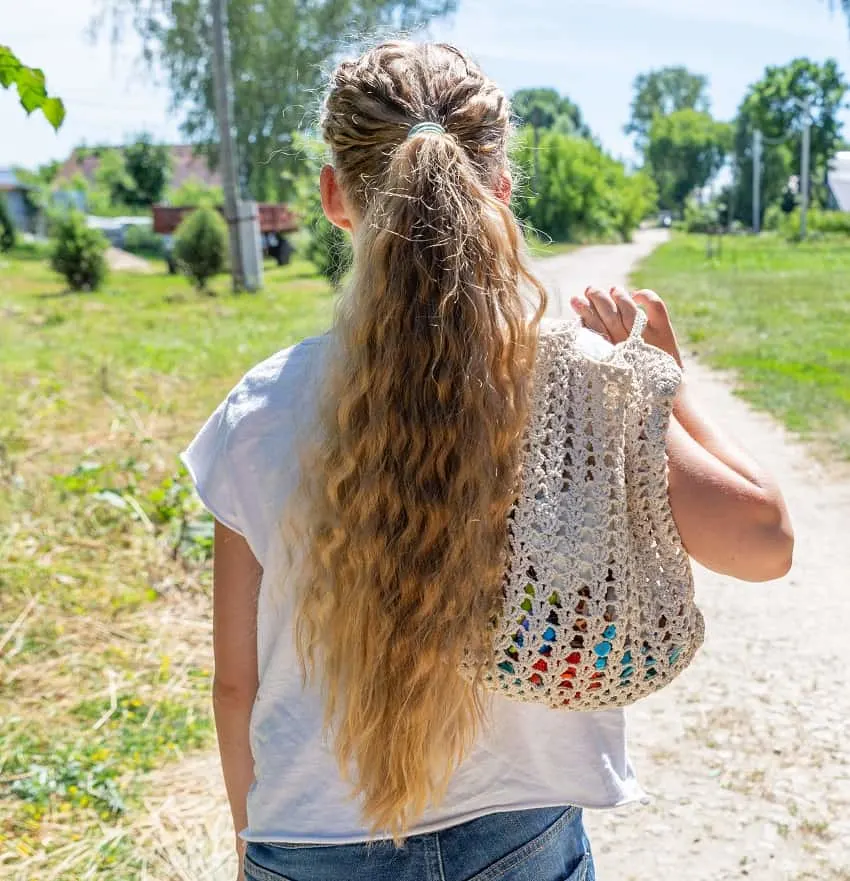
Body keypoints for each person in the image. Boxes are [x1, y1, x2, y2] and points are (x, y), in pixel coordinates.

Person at [182, 41, 793, 881]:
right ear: (501, 190)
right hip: (519, 841)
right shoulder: (586, 380)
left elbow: (235, 687)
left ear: (333, 196)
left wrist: (253, 849)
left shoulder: (256, 410)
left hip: (306, 840)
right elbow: (765, 541)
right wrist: (663, 378)